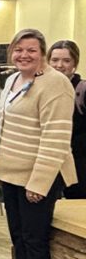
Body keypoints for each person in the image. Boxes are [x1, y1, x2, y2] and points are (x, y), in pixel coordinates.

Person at [0, 28, 76, 259]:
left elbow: (56, 137)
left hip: (38, 176)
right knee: (19, 236)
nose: (23, 55)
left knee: (34, 238)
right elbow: (6, 127)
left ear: (42, 53)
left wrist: (39, 182)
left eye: (31, 50)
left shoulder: (56, 84)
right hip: (12, 172)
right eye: (19, 50)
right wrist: (0, 169)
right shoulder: (14, 79)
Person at [47, 40, 86, 199]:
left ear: (74, 64)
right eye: (55, 60)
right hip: (49, 165)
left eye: (66, 60)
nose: (59, 65)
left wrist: (66, 147)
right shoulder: (41, 89)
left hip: (78, 167)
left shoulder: (82, 90)